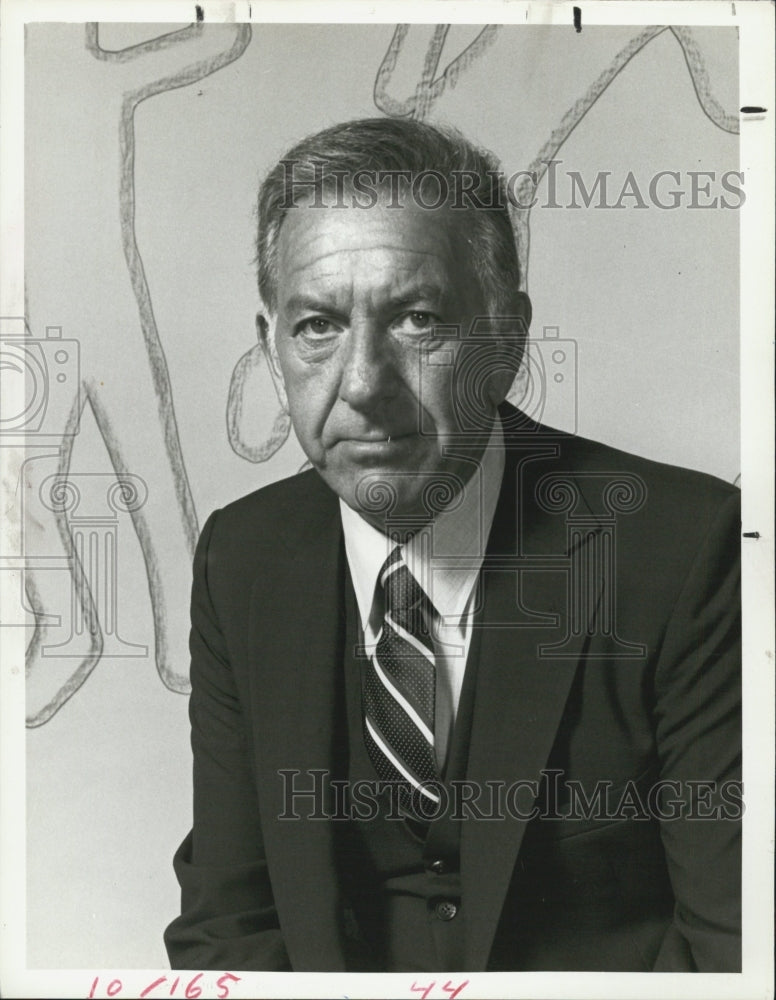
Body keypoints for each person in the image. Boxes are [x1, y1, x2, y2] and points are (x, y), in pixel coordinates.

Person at [164, 117, 741, 972]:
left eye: (417, 319)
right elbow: (229, 921)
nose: (361, 384)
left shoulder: (684, 546)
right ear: (270, 347)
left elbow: (735, 947)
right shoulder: (241, 557)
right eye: (317, 325)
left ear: (506, 338)